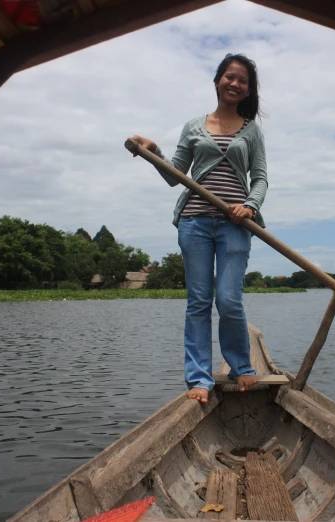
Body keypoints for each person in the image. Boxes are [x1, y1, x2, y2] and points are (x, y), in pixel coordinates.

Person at [129, 53, 268, 404]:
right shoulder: (193, 126)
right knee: (199, 302)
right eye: (229, 77)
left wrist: (250, 205)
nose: (234, 84)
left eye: (243, 81)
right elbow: (175, 174)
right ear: (217, 80)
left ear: (249, 90)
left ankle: (240, 365)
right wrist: (152, 151)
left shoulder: (252, 131)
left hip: (236, 224)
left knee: (229, 299)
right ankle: (200, 378)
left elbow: (261, 178)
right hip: (195, 222)